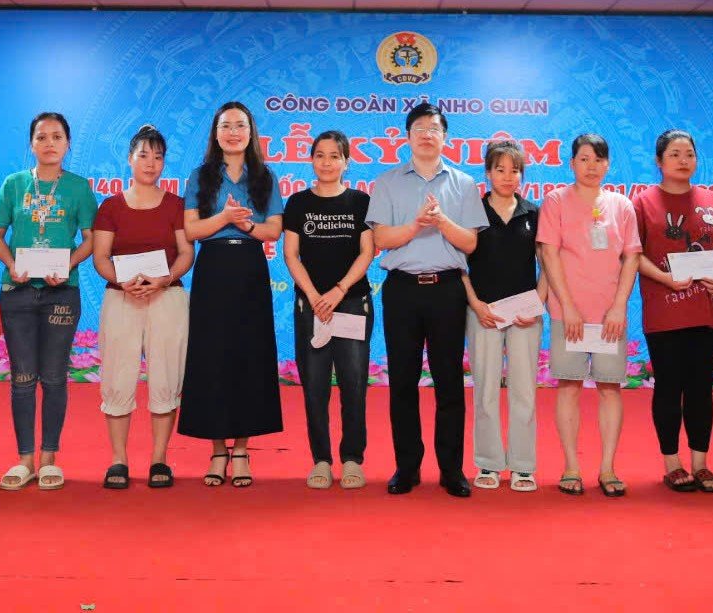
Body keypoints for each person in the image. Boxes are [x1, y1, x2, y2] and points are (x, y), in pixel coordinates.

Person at [367, 103, 488, 498]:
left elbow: (470, 243)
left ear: (445, 136)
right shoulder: (386, 183)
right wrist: (416, 225)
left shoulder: (464, 183)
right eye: (418, 128)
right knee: (402, 381)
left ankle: (451, 469)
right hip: (401, 289)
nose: (426, 134)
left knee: (449, 382)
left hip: (447, 290)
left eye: (433, 128)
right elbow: (381, 240)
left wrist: (442, 223)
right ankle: (407, 467)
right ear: (407, 136)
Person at [0, 112, 97, 491]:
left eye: (57, 136)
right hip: (17, 291)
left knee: (53, 377)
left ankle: (49, 458)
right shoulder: (14, 185)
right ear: (31, 144)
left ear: (68, 144)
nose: (49, 143)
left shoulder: (80, 188)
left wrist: (68, 263)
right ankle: (24, 460)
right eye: (41, 136)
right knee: (21, 378)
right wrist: (10, 263)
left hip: (60, 292)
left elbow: (91, 239)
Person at [177, 101, 284, 488]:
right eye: (226, 126)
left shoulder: (264, 176)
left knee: (249, 356)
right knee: (213, 357)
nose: (234, 132)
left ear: (251, 132)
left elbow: (274, 230)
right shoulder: (200, 176)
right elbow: (191, 231)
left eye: (241, 125)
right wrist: (224, 218)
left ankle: (241, 450)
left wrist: (246, 225)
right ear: (216, 133)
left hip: (250, 268)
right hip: (214, 269)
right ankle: (217, 450)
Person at [537, 134, 641, 498]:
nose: (591, 166)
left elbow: (631, 257)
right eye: (584, 159)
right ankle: (571, 466)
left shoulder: (622, 205)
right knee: (569, 385)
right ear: (572, 163)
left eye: (598, 159)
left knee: (611, 388)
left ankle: (608, 468)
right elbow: (548, 255)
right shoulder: (556, 201)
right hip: (570, 314)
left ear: (608, 164)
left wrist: (619, 305)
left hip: (610, 316)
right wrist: (566, 305)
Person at [632, 130, 713, 494]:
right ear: (659, 161)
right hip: (664, 311)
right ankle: (672, 463)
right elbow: (634, 253)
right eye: (674, 154)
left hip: (707, 310)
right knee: (669, 386)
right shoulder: (643, 203)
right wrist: (663, 277)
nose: (682, 160)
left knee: (700, 389)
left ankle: (701, 463)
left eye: (689, 153)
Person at [91, 124, 193, 489]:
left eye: (158, 156)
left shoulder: (177, 205)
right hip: (122, 298)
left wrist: (163, 280)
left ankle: (159, 459)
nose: (151, 163)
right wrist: (122, 282)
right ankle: (118, 460)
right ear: (130, 159)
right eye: (144, 155)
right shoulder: (111, 206)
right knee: (118, 376)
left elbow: (186, 253)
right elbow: (101, 257)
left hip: (167, 297)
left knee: (166, 376)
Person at [283, 130, 374, 490]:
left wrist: (337, 291)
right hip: (311, 307)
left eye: (334, 156)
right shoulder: (298, 203)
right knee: (315, 387)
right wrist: (314, 295)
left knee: (353, 385)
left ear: (346, 162)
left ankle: (352, 458)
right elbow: (291, 254)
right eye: (320, 155)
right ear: (311, 161)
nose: (327, 162)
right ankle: (320, 459)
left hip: (352, 303)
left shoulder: (360, 202)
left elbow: (368, 252)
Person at [463, 140, 545, 493]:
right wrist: (476, 304)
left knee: (524, 390)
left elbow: (549, 265)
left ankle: (524, 465)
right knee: (485, 390)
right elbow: (458, 264)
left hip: (525, 315)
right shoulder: (473, 211)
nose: (508, 176)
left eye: (515, 170)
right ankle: (489, 463)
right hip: (483, 312)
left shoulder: (534, 213)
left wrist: (536, 304)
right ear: (487, 172)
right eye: (500, 169)